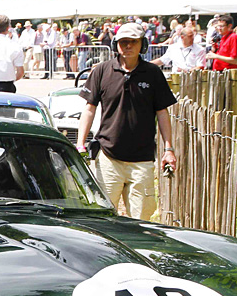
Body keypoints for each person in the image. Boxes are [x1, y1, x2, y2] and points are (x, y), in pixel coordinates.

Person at [76, 22, 177, 221]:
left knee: (140, 220)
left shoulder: (153, 74)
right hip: (108, 156)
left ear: (143, 45)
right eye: (123, 42)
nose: (128, 46)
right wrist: (80, 144)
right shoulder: (102, 71)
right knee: (103, 217)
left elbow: (162, 113)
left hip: (141, 159)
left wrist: (169, 149)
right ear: (115, 45)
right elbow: (89, 109)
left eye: (133, 42)